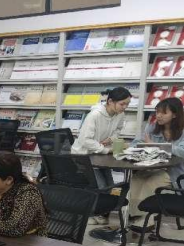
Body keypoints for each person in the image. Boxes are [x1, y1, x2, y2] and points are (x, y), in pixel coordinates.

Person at [71, 87, 132, 216]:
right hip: (83, 156)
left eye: (127, 104)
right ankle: (94, 215)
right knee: (102, 186)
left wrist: (111, 139)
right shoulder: (95, 115)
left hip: (98, 156)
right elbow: (85, 140)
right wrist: (104, 149)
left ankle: (102, 215)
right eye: (122, 104)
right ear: (110, 101)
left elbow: (118, 129)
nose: (125, 107)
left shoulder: (120, 114)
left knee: (110, 185)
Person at [128, 97, 184, 230]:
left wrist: (155, 145)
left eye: (164, 113)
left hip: (174, 172)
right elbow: (135, 143)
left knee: (152, 182)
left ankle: (147, 220)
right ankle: (134, 216)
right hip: (151, 168)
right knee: (136, 180)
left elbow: (182, 152)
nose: (158, 115)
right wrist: (142, 145)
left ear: (175, 114)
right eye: (157, 112)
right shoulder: (152, 127)